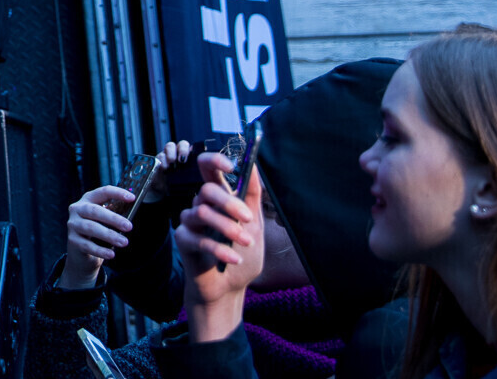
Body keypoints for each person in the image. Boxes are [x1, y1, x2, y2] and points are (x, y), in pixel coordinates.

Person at [168, 25, 497, 379]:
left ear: (490, 189)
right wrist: (216, 307)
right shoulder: (428, 345)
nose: (366, 159)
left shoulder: (393, 346)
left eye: (394, 138)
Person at [28, 58, 408, 379]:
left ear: (331, 250)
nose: (233, 211)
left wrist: (215, 316)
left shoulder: (355, 359)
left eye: (268, 208)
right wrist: (80, 278)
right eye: (240, 186)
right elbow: (164, 294)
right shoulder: (252, 305)